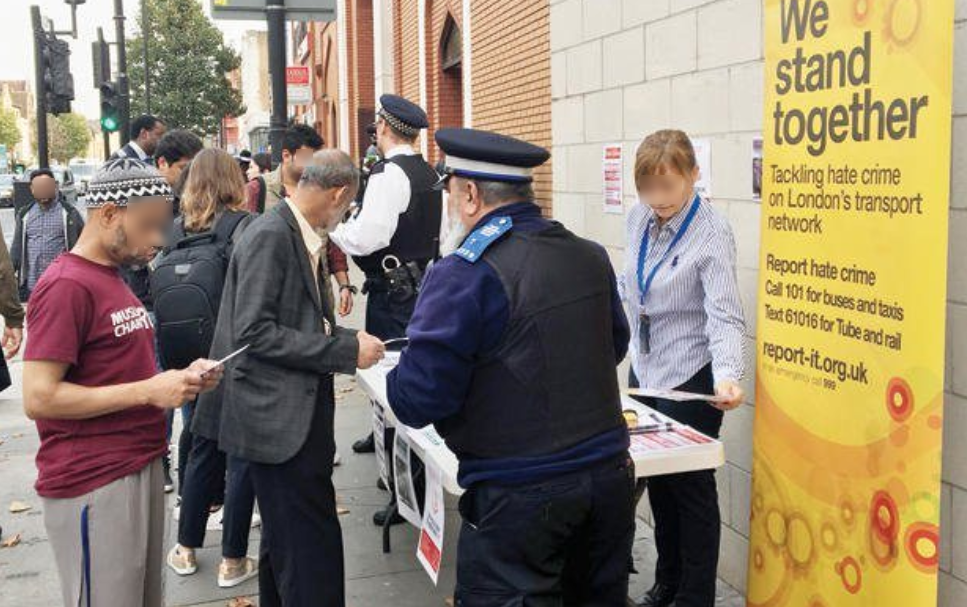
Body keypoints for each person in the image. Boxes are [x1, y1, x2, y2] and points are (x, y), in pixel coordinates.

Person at [386, 128, 635, 605]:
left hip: (519, 494)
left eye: (450, 192)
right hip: (608, 477)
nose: (450, 205)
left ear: (471, 194)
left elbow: (417, 399)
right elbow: (614, 346)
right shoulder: (587, 254)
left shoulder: (463, 274)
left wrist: (399, 372)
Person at [22, 158, 223, 607]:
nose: (157, 241)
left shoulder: (109, 278)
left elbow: (116, 369)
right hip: (95, 479)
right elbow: (38, 396)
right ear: (110, 213)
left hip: (137, 465)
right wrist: (149, 391)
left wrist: (177, 379)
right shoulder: (66, 285)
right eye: (148, 226)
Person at [209, 149, 385, 606]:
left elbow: (297, 322)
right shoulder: (272, 234)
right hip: (278, 422)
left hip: (291, 420)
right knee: (308, 555)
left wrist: (347, 337)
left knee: (287, 547)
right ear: (339, 193)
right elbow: (254, 333)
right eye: (348, 205)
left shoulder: (293, 231)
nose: (344, 214)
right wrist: (346, 350)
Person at [621, 130, 745, 607]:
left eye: (668, 187)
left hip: (692, 375)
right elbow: (631, 284)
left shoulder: (711, 232)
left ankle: (694, 597)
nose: (658, 200)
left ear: (693, 175)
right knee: (657, 482)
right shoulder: (637, 217)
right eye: (648, 189)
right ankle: (666, 583)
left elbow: (724, 314)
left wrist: (728, 374)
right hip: (646, 368)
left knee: (691, 488)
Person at [160, 149, 259, 588]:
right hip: (234, 351)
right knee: (240, 453)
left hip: (188, 353)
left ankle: (185, 549)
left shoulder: (174, 231)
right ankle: (233, 559)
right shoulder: (245, 227)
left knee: (201, 445)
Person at [329, 95, 443, 462]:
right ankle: (388, 435)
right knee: (412, 362)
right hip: (423, 283)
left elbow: (367, 238)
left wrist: (332, 228)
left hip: (393, 289)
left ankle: (396, 451)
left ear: (382, 127)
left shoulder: (388, 174)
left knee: (387, 366)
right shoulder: (429, 172)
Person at [246, 124, 354, 319]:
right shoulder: (258, 189)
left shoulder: (319, 188)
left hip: (318, 298)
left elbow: (332, 241)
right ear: (287, 155)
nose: (314, 166)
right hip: (280, 299)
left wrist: (344, 285)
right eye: (308, 158)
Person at [11, 168, 84, 302]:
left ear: (55, 186)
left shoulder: (69, 214)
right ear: (32, 189)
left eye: (46, 186)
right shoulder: (24, 214)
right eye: (39, 186)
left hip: (62, 283)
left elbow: (84, 245)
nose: (43, 190)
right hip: (33, 285)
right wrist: (9, 276)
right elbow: (16, 249)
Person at [155, 129, 205, 204]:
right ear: (162, 163)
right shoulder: (146, 200)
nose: (192, 176)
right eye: (184, 169)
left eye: (197, 169)